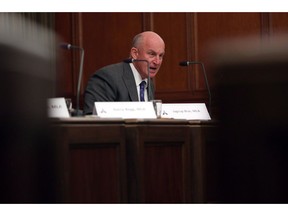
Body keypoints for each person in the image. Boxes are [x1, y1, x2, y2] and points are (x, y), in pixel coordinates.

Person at [83, 31, 165, 115]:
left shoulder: (149, 84)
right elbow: (94, 120)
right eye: (152, 54)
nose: (157, 62)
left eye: (161, 56)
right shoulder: (107, 78)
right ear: (135, 53)